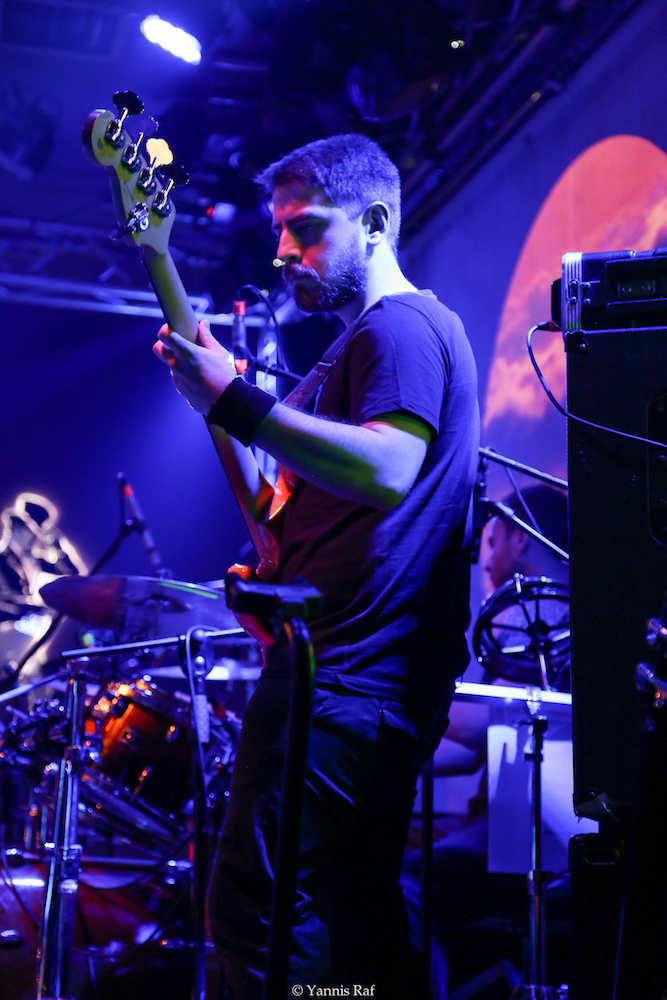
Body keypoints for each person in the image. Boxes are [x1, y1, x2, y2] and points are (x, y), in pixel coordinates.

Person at [153, 133, 479, 998]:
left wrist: (234, 398)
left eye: (304, 228)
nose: (282, 250)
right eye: (278, 229)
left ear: (372, 223)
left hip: (345, 682)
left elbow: (386, 468)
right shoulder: (353, 350)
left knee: (254, 910)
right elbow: (278, 507)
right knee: (352, 921)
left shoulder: (400, 326)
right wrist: (218, 403)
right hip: (356, 680)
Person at [401, 484, 570, 997]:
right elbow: (473, 748)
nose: (486, 561)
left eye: (491, 541)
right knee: (376, 846)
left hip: (525, 832)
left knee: (406, 883)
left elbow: (472, 727)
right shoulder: (529, 619)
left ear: (520, 540)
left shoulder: (545, 618)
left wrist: (396, 683)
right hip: (498, 821)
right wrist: (385, 758)